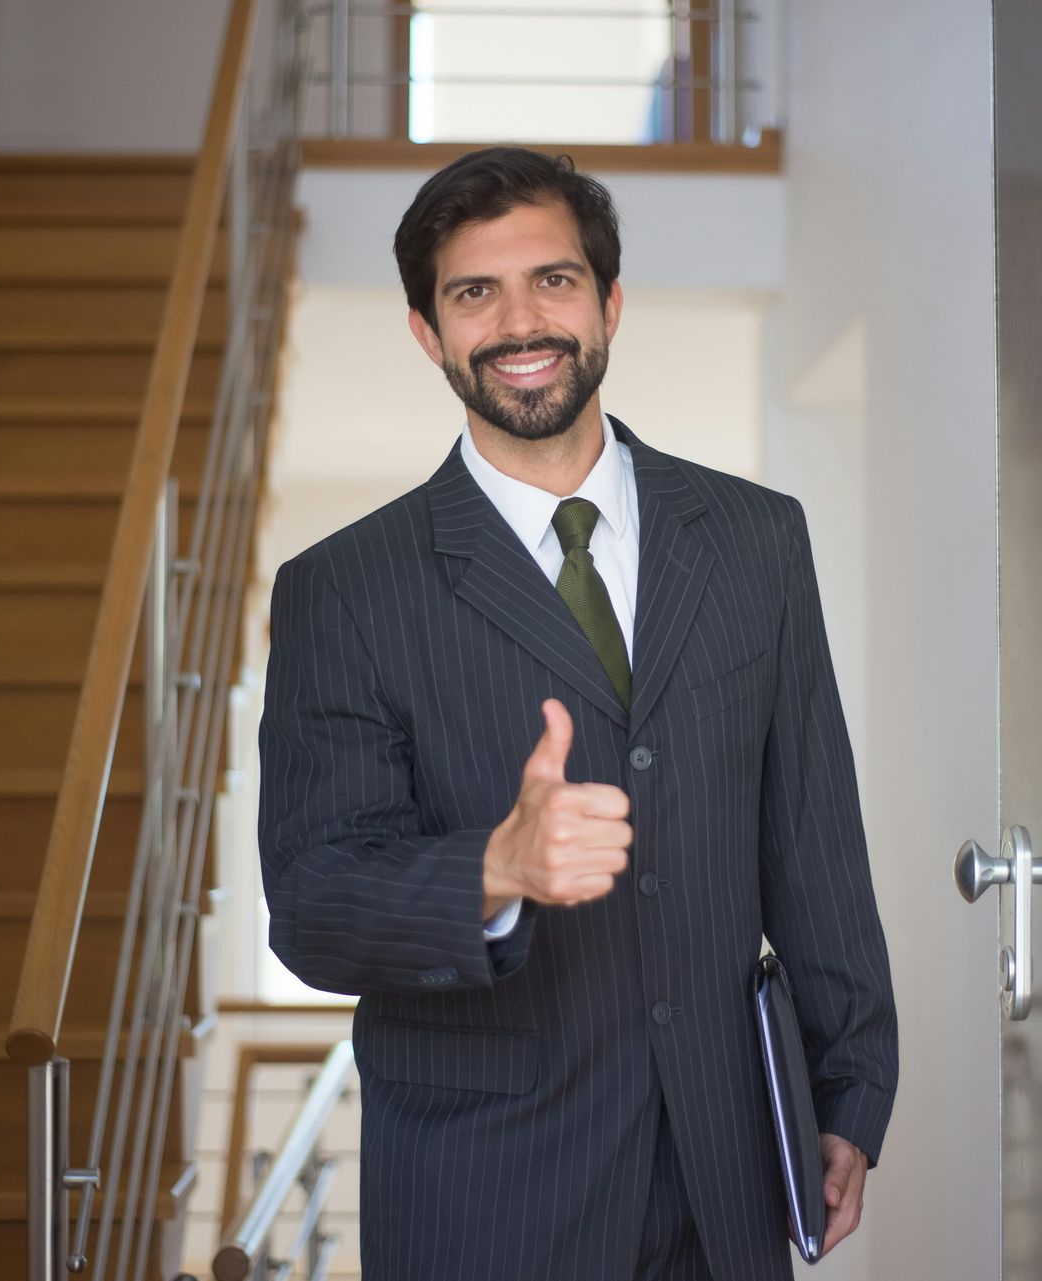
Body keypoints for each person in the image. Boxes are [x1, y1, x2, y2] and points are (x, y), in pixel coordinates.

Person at [257, 146, 897, 1281]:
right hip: (487, 1189)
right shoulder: (345, 590)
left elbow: (813, 836)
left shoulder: (758, 539)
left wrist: (848, 1092)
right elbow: (313, 908)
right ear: (425, 329)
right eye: (473, 292)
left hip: (729, 1164)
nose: (519, 320)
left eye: (552, 280)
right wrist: (491, 869)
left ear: (608, 301)